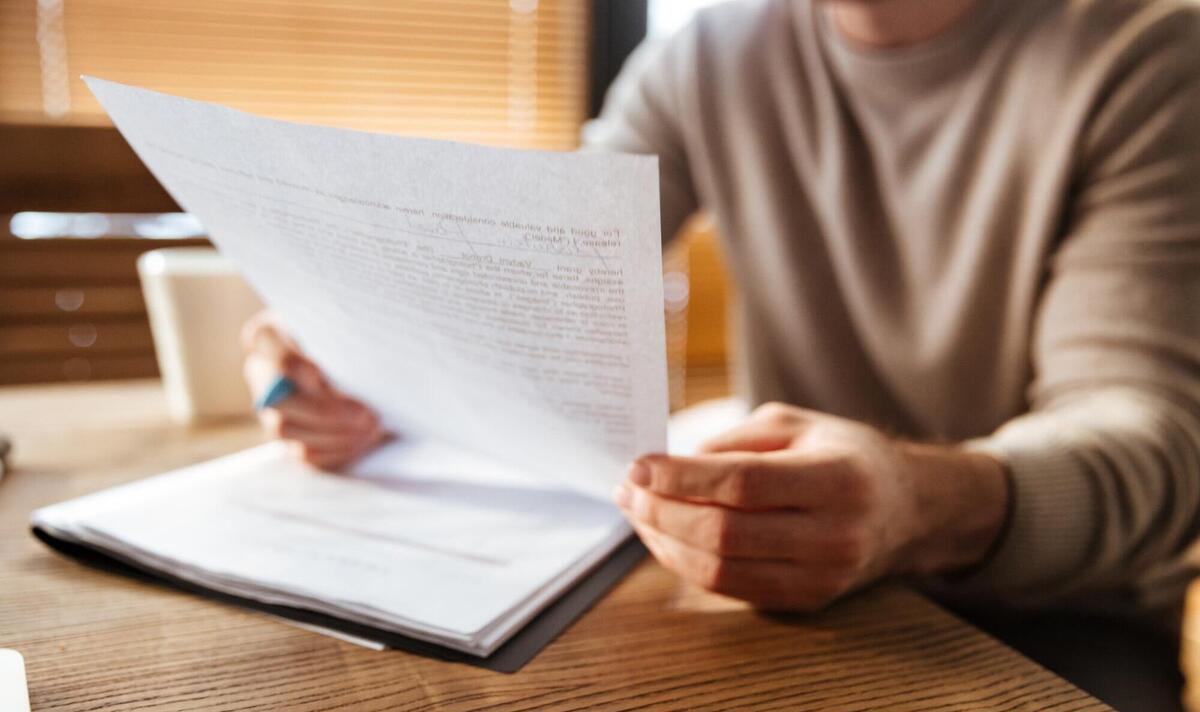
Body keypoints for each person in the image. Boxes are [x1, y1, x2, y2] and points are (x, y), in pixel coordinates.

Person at [243, 0, 1200, 629]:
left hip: (1064, 630)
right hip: (797, 614)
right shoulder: (705, 58)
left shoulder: (1149, 51)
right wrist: (347, 342)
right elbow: (525, 271)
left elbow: (1155, 439)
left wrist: (915, 501)